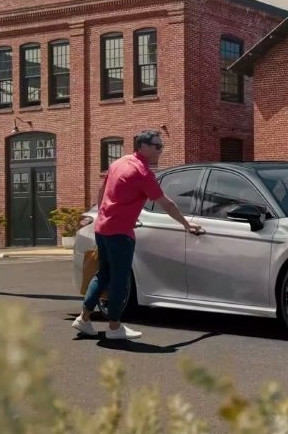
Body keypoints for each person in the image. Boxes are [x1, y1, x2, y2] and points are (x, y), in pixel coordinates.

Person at [72, 129, 203, 339]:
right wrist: (186, 224)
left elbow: (102, 190)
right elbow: (167, 204)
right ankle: (114, 327)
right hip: (120, 233)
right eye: (157, 146)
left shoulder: (119, 163)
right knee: (119, 279)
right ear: (143, 146)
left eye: (161, 146)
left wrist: (101, 213)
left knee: (103, 274)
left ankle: (84, 318)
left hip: (102, 228)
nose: (161, 150)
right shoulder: (142, 173)